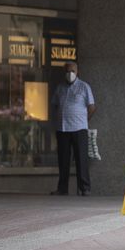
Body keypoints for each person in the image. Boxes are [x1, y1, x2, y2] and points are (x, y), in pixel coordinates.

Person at [51, 62, 96, 196]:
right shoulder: (60, 88)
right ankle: (62, 188)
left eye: (72, 71)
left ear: (77, 72)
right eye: (67, 71)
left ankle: (85, 188)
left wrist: (84, 120)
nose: (70, 73)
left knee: (81, 159)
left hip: (79, 128)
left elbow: (92, 107)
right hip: (63, 129)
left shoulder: (84, 87)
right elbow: (54, 105)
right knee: (63, 160)